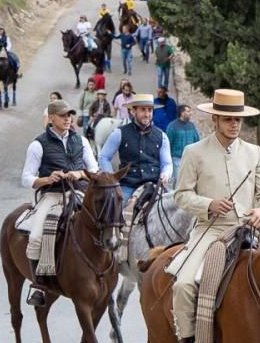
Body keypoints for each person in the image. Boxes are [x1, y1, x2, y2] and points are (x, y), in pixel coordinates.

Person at [170, 89, 260, 343]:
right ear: (215, 119)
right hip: (211, 230)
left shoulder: (254, 153)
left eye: (238, 120)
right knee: (183, 285)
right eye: (228, 119)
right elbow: (181, 195)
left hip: (249, 228)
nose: (234, 125)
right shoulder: (195, 153)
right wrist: (208, 204)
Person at [20, 99, 98, 306]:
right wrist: (46, 179)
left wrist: (79, 173)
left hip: (79, 193)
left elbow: (94, 170)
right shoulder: (38, 144)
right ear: (51, 117)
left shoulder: (81, 141)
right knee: (36, 237)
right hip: (52, 195)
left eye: (69, 115)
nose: (68, 119)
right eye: (63, 116)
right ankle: (39, 285)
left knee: (106, 222)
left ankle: (108, 271)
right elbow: (26, 178)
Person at [97, 93, 172, 202]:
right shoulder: (119, 133)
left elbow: (167, 163)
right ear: (133, 111)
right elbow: (104, 157)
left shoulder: (162, 136)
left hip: (154, 185)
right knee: (113, 209)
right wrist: (111, 179)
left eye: (149, 110)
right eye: (143, 110)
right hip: (128, 186)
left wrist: (166, 173)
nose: (147, 114)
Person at [166, 104, 199, 182]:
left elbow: (197, 141)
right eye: (188, 111)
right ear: (181, 113)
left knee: (190, 180)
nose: (190, 113)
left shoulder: (192, 125)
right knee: (178, 181)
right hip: (177, 159)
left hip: (190, 159)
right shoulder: (172, 126)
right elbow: (168, 144)